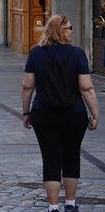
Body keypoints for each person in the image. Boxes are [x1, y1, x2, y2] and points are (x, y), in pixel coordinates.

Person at [21, 15, 99, 212]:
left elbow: (27, 86)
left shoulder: (36, 54)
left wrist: (26, 112)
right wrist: (95, 114)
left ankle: (53, 206)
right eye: (69, 27)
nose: (72, 31)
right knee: (72, 157)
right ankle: (71, 204)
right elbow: (86, 88)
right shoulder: (77, 54)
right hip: (74, 114)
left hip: (43, 114)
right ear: (61, 31)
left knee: (50, 159)